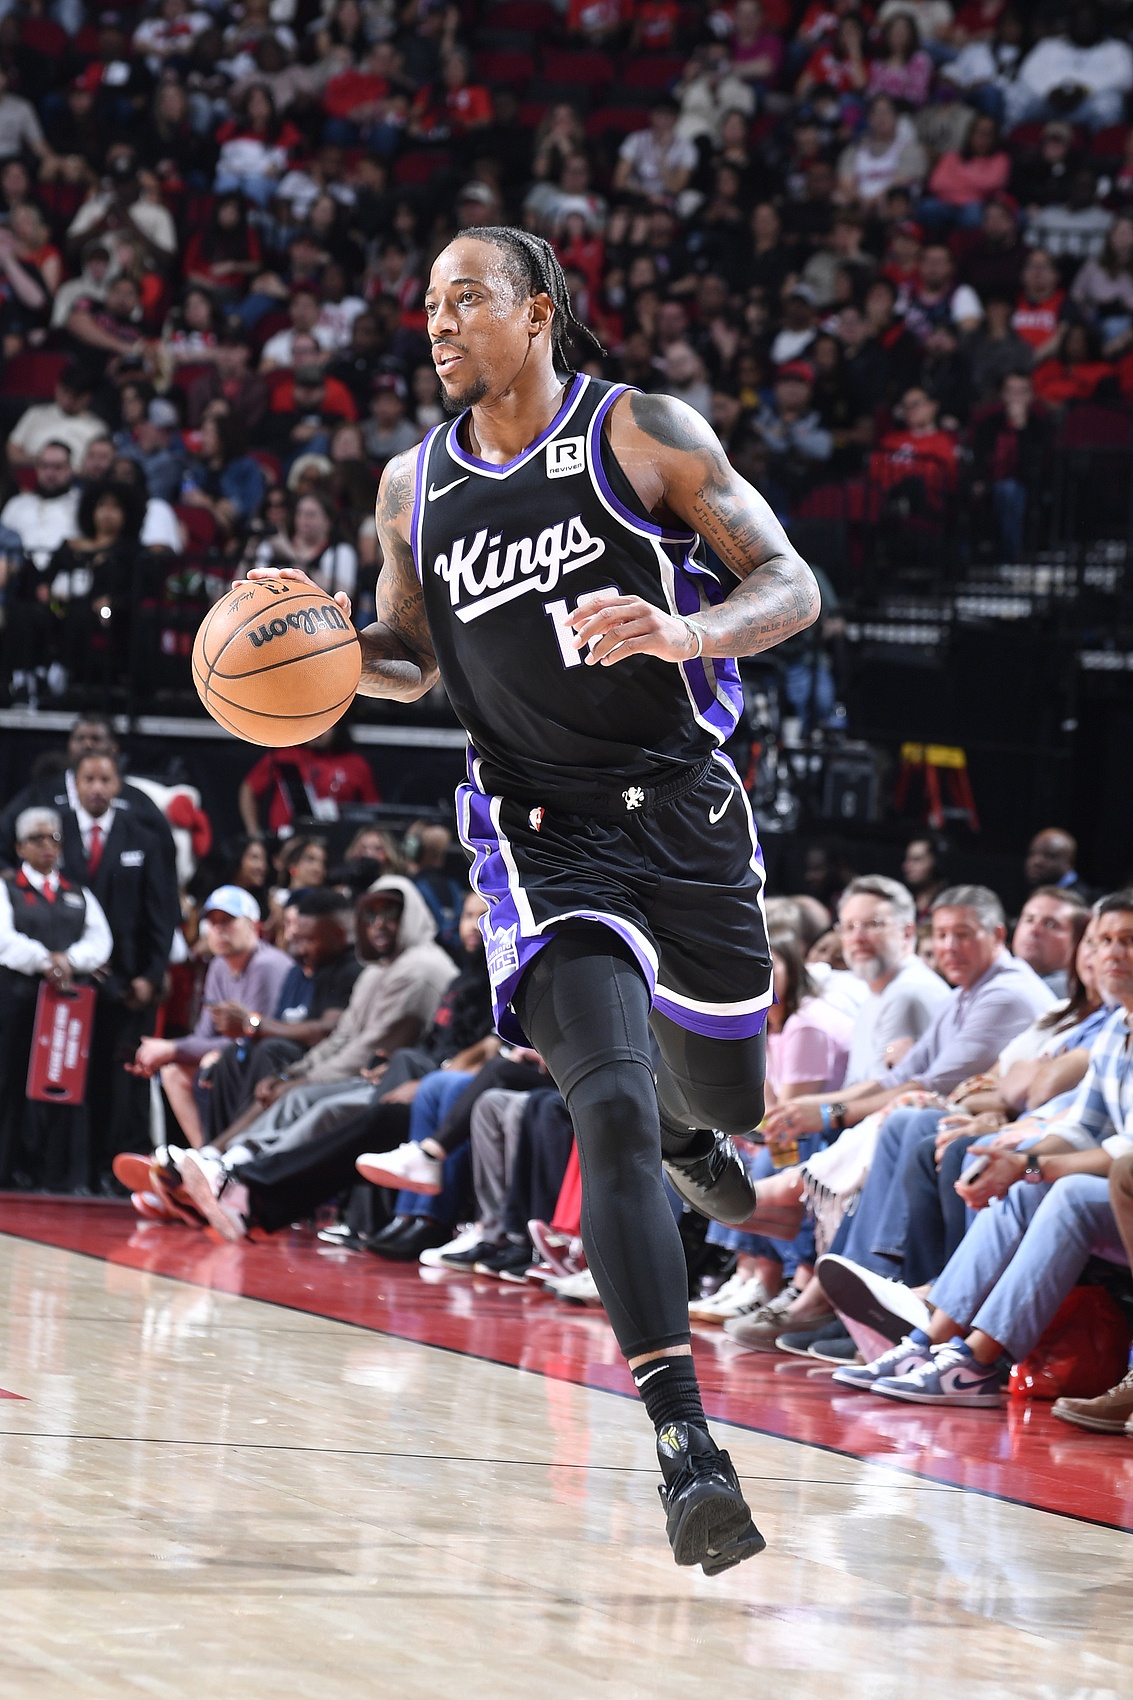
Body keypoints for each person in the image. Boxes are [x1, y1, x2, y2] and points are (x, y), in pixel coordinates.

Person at [247, 224, 821, 1574]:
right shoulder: (412, 485)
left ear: (539, 311)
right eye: (427, 305)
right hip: (538, 834)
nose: (439, 324)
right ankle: (684, 1442)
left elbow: (790, 582)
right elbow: (410, 657)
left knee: (721, 1098)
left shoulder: (639, 433)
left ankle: (693, 1125)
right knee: (601, 1101)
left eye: (466, 299)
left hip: (680, 813)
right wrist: (316, 651)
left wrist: (684, 629)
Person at [831, 892, 1133, 1407]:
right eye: (1104, 940)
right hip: (1111, 1181)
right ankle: (928, 1341)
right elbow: (1084, 1126)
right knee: (1016, 1181)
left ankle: (978, 1360)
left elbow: (1119, 1149)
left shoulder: (1026, 999)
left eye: (1127, 941)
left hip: (1121, 1187)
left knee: (1061, 1191)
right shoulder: (1115, 1029)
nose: (1112, 953)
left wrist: (1033, 1163)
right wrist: (1019, 1166)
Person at [59, 750, 179, 1188]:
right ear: (75, 784)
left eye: (104, 779)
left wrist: (152, 975)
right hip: (73, 984)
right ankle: (71, 1170)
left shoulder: (143, 837)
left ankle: (117, 1171)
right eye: (88, 779)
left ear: (117, 785)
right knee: (73, 1077)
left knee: (124, 1081)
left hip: (130, 984)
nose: (96, 788)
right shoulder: (56, 836)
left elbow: (162, 915)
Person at [0, 806, 112, 1193]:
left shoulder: (77, 893)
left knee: (66, 1085)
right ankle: (9, 1169)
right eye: (36, 839)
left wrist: (70, 961)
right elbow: (4, 940)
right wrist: (45, 960)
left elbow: (100, 941)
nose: (47, 845)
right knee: (10, 1083)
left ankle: (62, 1175)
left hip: (66, 1007)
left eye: (54, 838)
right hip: (17, 1000)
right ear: (19, 847)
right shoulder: (7, 888)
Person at [128, 886, 293, 1148]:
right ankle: (203, 1155)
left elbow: (256, 1037)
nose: (218, 930)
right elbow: (204, 1035)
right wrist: (166, 1052)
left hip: (271, 1063)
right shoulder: (218, 965)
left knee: (209, 1061)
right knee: (173, 1072)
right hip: (236, 1055)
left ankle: (215, 1157)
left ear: (254, 925)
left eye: (227, 921)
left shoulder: (267, 965)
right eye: (213, 922)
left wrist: (171, 1048)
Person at [6, 365, 106, 471]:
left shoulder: (97, 429)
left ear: (87, 397)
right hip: (30, 475)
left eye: (75, 396)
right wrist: (43, 463)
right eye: (64, 392)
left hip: (74, 479)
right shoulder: (35, 414)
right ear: (57, 387)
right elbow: (11, 452)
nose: (67, 400)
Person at [1011, 885, 1088, 997]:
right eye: (1029, 920)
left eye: (1050, 924)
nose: (1034, 930)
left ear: (1078, 941)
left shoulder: (1068, 992)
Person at [1024, 827, 1093, 901]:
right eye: (1032, 853)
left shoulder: (1086, 899)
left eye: (1049, 855)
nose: (1036, 861)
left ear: (1070, 861)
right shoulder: (1032, 893)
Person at [902, 833, 948, 920]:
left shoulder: (951, 903)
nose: (906, 866)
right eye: (908, 859)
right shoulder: (902, 901)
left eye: (917, 860)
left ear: (937, 863)